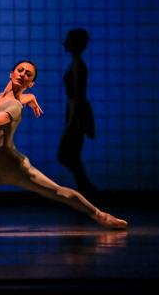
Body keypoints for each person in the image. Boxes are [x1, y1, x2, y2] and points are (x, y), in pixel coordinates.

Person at [0, 61, 127, 233]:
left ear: (30, 83)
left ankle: (101, 215)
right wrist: (29, 98)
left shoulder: (14, 106)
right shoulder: (0, 98)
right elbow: (18, 97)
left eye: (28, 75)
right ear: (11, 73)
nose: (23, 74)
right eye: (20, 70)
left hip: (15, 168)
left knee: (59, 192)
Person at [58, 29, 97, 194]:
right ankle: (85, 188)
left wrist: (72, 120)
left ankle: (87, 189)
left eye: (67, 39)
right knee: (71, 154)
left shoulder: (78, 66)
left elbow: (79, 96)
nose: (64, 42)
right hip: (76, 110)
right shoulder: (76, 64)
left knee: (67, 154)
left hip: (77, 112)